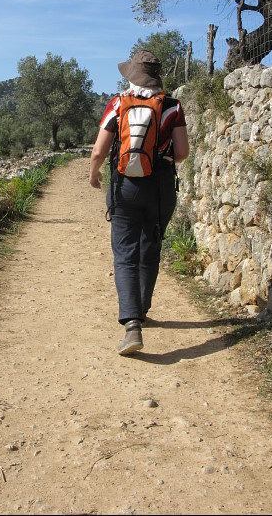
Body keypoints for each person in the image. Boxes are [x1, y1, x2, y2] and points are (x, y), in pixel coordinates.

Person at [89, 49, 189, 355]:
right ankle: (142, 308)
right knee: (151, 246)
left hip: (125, 187)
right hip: (160, 188)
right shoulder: (172, 105)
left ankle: (132, 325)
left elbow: (98, 152)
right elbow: (183, 153)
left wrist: (94, 174)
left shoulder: (119, 103)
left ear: (132, 75)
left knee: (125, 253)